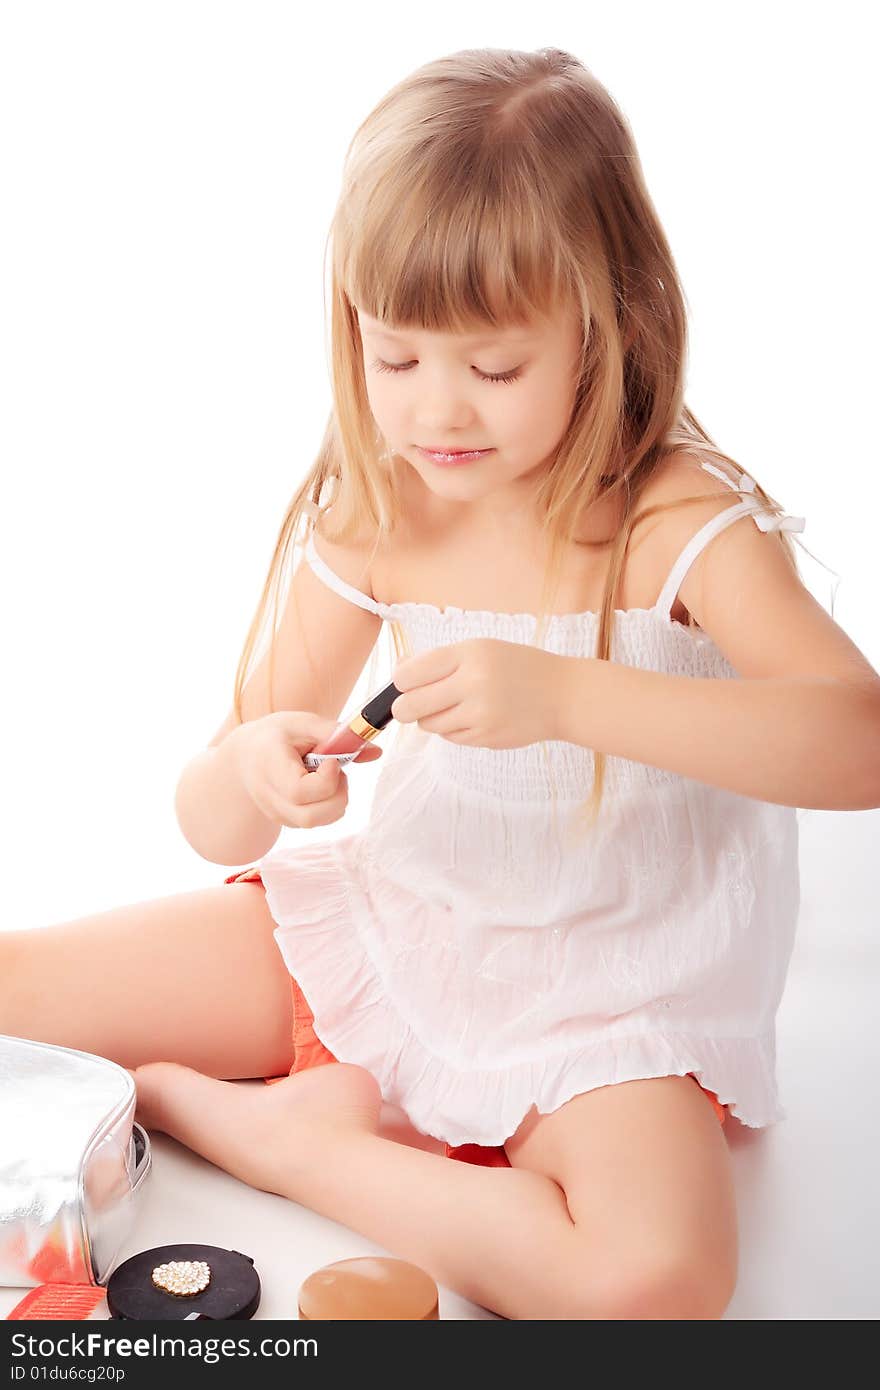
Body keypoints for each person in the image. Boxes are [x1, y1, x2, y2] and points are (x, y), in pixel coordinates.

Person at [4, 46, 879, 1322]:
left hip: (611, 999)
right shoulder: (375, 508)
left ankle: (294, 1144)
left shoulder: (675, 520)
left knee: (653, 1280)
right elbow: (212, 814)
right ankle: (312, 1103)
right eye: (396, 358)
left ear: (610, 317)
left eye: (494, 365)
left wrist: (570, 696)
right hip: (396, 924)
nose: (436, 413)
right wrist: (251, 772)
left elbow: (855, 743)